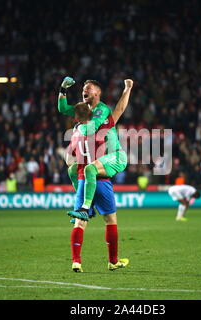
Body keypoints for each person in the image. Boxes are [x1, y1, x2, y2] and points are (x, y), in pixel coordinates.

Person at [65, 79, 133, 273]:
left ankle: (76, 260)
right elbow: (118, 110)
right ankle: (112, 261)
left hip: (89, 174)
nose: (84, 91)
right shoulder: (93, 124)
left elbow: (69, 162)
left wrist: (127, 89)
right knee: (110, 220)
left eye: (89, 89)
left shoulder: (87, 125)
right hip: (97, 176)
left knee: (80, 222)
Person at [58, 77, 128, 218]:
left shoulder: (101, 109)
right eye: (83, 89)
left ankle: (85, 207)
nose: (84, 90)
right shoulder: (84, 110)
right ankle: (86, 206)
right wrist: (63, 89)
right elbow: (63, 108)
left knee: (89, 169)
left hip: (115, 155)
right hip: (102, 157)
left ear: (97, 93)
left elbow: (91, 128)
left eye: (88, 88)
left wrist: (78, 127)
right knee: (72, 170)